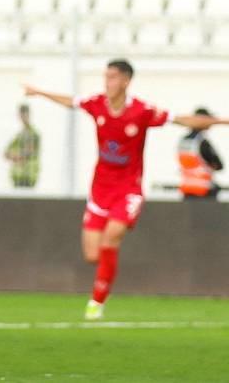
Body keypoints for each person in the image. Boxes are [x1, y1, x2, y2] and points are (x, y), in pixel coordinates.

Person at [24, 59, 227, 321]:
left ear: (126, 81)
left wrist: (222, 121)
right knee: (92, 255)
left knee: (112, 236)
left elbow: (181, 119)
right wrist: (39, 92)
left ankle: (96, 303)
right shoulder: (96, 104)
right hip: (100, 190)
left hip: (128, 190)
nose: (107, 82)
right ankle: (107, 272)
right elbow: (70, 101)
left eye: (112, 77)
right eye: (105, 77)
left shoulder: (141, 111)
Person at [178, 107, 223, 200]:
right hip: (204, 191)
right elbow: (219, 165)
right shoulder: (202, 142)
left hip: (187, 190)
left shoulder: (183, 141)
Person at [4, 104, 40, 188]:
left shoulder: (33, 134)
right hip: (17, 176)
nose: (23, 117)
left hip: (28, 176)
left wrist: (17, 155)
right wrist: (16, 156)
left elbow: (29, 152)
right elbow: (6, 153)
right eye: (21, 114)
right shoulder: (19, 135)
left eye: (25, 114)